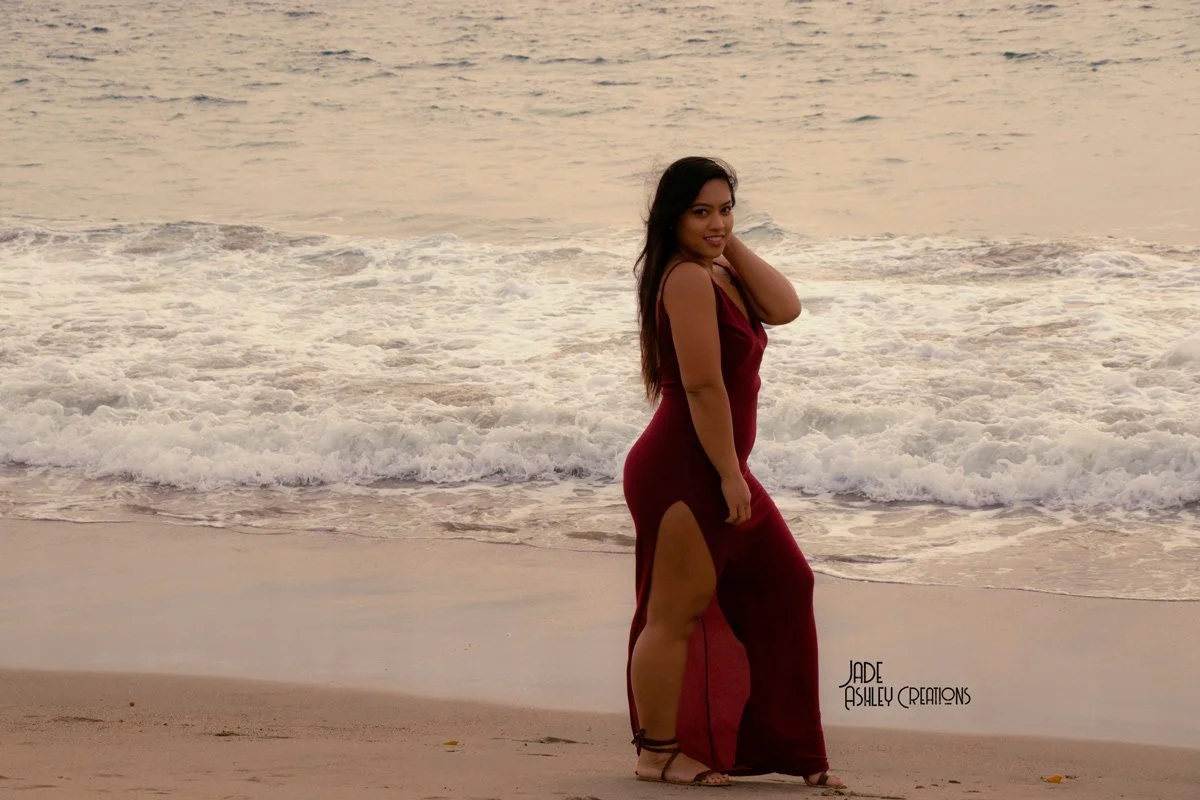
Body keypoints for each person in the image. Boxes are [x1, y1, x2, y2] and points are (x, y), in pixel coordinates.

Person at [623, 156, 845, 789]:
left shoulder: (715, 270)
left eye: (725, 208)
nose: (717, 221)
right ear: (672, 218)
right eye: (701, 211)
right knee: (675, 613)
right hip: (684, 471)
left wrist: (723, 241)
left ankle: (777, 742)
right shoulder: (684, 280)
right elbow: (701, 386)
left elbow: (787, 307)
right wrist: (728, 475)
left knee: (785, 584)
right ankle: (657, 753)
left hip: (718, 466)